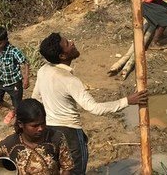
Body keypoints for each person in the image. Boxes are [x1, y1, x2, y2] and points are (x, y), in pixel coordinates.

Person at [33, 33, 147, 174]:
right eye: (68, 44)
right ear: (62, 56)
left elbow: (35, 100)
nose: (72, 42)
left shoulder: (43, 71)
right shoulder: (69, 80)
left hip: (48, 131)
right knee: (75, 170)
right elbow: (94, 108)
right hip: (70, 133)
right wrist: (127, 101)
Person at [0, 99, 74, 175]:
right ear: (21, 124)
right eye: (35, 126)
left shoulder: (55, 138)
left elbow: (67, 167)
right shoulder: (10, 144)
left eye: (43, 123)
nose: (41, 128)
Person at [0, 26, 30, 125]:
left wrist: (26, 79)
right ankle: (12, 109)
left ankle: (18, 123)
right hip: (2, 80)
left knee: (17, 104)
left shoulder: (14, 51)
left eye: (0, 43)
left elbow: (25, 63)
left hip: (14, 81)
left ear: (6, 40)